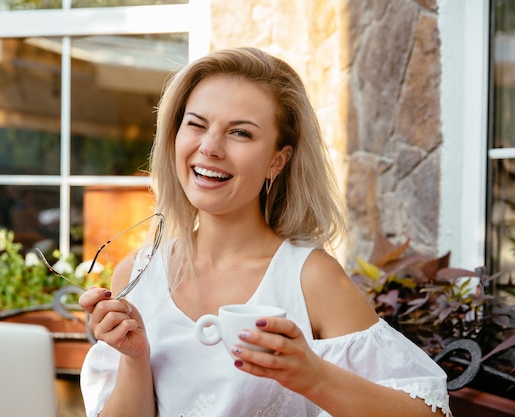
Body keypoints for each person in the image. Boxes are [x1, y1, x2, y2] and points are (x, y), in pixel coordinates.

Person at [78, 47, 452, 417]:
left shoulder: (309, 278)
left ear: (277, 160)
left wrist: (313, 377)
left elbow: (430, 412)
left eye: (240, 132)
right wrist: (135, 358)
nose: (209, 147)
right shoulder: (137, 274)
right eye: (196, 124)